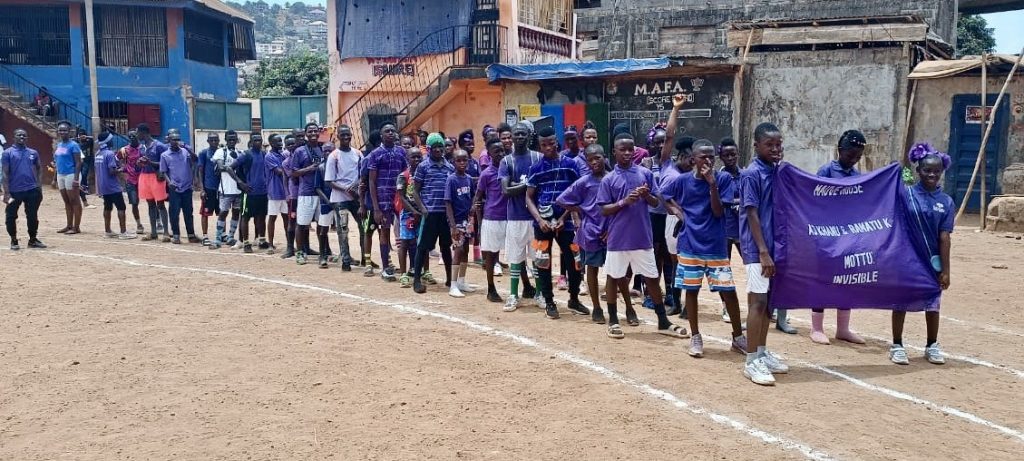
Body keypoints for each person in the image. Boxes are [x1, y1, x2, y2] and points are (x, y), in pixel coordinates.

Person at [662, 139, 747, 357]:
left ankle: (738, 337)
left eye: (711, 156)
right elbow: (663, 194)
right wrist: (678, 213)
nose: (708, 160)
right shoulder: (682, 181)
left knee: (728, 292)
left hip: (716, 245)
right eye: (703, 157)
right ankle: (695, 336)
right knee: (691, 291)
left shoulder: (724, 179)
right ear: (694, 159)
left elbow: (719, 212)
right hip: (690, 244)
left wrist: (712, 184)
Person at [597, 135, 686, 339]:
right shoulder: (609, 179)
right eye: (623, 149)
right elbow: (603, 210)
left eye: (630, 149)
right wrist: (624, 202)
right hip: (618, 239)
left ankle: (662, 320)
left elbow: (656, 203)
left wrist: (646, 196)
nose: (627, 153)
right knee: (614, 277)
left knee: (652, 279)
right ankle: (613, 320)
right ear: (614, 152)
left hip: (642, 237)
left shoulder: (645, 173)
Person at [891, 143, 953, 366]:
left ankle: (932, 345)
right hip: (906, 260)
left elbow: (944, 238)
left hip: (932, 262)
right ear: (918, 171)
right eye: (927, 170)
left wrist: (946, 270)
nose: (932, 175)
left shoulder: (946, 202)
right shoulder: (906, 195)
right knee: (901, 302)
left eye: (936, 171)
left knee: (933, 302)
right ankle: (897, 344)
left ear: (942, 172)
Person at [739, 122, 791, 386]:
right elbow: (751, 212)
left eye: (778, 144)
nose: (775, 149)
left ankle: (761, 351)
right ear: (757, 145)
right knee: (758, 302)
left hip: (776, 247)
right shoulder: (751, 174)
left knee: (770, 302)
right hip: (757, 249)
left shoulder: (778, 172)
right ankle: (751, 361)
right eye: (769, 145)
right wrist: (762, 251)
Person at [809, 130, 868, 345]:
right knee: (823, 280)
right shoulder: (826, 171)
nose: (853, 159)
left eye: (858, 157)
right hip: (826, 236)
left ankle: (843, 328)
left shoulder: (857, 177)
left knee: (847, 280)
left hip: (848, 237)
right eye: (850, 155)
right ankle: (816, 327)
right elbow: (816, 199)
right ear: (839, 150)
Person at [525, 126, 586, 319]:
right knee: (543, 263)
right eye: (544, 144)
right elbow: (528, 198)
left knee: (575, 261)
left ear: (556, 141)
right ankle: (549, 302)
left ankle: (574, 298)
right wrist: (539, 219)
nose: (548, 147)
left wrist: (563, 218)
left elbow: (577, 194)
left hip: (566, 222)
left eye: (551, 143)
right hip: (541, 225)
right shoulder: (535, 168)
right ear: (540, 146)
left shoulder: (571, 165)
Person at [556, 144, 611, 326]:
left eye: (598, 158)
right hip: (590, 232)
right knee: (592, 269)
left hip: (612, 232)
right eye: (590, 159)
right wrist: (581, 209)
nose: (595, 162)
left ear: (605, 157)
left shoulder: (612, 179)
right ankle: (596, 307)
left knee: (614, 272)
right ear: (586, 162)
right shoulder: (584, 182)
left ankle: (614, 306)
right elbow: (562, 200)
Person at [498, 122, 539, 311]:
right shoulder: (506, 161)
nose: (519, 137)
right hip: (515, 217)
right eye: (516, 134)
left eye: (523, 134)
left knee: (538, 258)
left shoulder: (537, 158)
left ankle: (540, 294)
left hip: (535, 217)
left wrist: (519, 185)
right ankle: (513, 295)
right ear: (511, 138)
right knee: (515, 258)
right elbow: (506, 190)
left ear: (529, 136)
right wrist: (529, 185)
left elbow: (542, 185)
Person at [411, 133, 454, 293]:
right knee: (422, 248)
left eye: (440, 147)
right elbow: (415, 191)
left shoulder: (449, 167)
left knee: (445, 247)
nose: (438, 150)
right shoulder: (423, 166)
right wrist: (423, 209)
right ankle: (416, 280)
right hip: (429, 214)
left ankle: (450, 279)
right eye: (434, 147)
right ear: (428, 149)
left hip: (444, 214)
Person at [367, 123, 407, 280]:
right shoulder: (375, 154)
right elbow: (371, 181)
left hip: (400, 199)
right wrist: (375, 208)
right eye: (387, 131)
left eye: (393, 131)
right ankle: (386, 268)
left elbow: (406, 175)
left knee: (405, 232)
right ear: (381, 135)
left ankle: (405, 268)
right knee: (384, 232)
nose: (391, 133)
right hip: (383, 200)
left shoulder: (402, 152)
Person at [324, 125, 364, 270]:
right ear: (338, 137)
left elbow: (363, 174)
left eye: (348, 134)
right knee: (343, 229)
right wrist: (346, 189)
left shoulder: (358, 154)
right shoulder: (333, 156)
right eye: (343, 135)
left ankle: (366, 258)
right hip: (340, 199)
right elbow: (329, 181)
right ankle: (346, 260)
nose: (346, 137)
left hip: (356, 197)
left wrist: (356, 186)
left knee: (363, 228)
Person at [474, 139, 509, 303]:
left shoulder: (509, 169)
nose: (501, 154)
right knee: (491, 254)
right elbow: (478, 198)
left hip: (510, 217)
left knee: (517, 252)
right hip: (492, 217)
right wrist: (480, 223)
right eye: (497, 151)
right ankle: (491, 288)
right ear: (489, 155)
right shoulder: (486, 174)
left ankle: (526, 285)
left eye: (502, 150)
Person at [2, 128, 47, 250]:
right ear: (14, 137)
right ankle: (14, 240)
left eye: (24, 135)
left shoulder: (33, 153)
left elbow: (39, 168)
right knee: (11, 216)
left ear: (27, 138)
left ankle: (33, 240)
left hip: (32, 190)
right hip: (14, 191)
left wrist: (38, 186)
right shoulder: (8, 153)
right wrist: (6, 192)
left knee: (32, 216)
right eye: (19, 135)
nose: (21, 137)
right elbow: (5, 173)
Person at [290, 123, 326, 265]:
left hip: (321, 192)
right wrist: (310, 168)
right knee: (301, 224)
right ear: (305, 133)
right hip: (306, 193)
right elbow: (293, 173)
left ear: (318, 133)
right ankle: (300, 253)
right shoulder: (300, 151)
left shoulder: (323, 148)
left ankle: (323, 253)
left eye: (315, 131)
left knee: (322, 224)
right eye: (310, 131)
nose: (312, 133)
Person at [445, 150, 478, 297]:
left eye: (465, 160)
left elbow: (473, 197)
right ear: (454, 162)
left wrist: (473, 206)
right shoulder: (451, 180)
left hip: (467, 221)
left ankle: (462, 281)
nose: (462, 163)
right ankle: (453, 285)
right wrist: (452, 226)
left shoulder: (469, 179)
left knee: (465, 250)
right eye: (459, 160)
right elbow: (448, 203)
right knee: (458, 251)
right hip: (457, 222)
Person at [229, 133, 269, 253]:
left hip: (262, 192)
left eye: (259, 140)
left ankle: (261, 240)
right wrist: (240, 182)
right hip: (249, 192)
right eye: (255, 140)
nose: (258, 142)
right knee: (245, 217)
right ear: (251, 142)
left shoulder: (264, 154)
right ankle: (246, 243)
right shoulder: (246, 155)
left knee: (261, 217)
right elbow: (230, 168)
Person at [159, 131, 199, 244]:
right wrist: (169, 182)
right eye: (173, 140)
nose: (176, 142)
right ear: (169, 141)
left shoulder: (185, 151)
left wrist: (189, 149)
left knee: (188, 212)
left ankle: (191, 235)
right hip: (175, 188)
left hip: (187, 187)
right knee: (174, 212)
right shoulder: (165, 155)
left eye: (177, 139)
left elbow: (195, 160)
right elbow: (163, 172)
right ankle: (176, 235)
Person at [718, 137, 741, 323]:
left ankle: (767, 304)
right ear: (721, 157)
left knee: (754, 265)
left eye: (733, 154)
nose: (730, 158)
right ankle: (726, 305)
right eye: (726, 155)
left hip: (743, 229)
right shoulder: (718, 178)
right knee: (723, 269)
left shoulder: (746, 175)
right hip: (724, 229)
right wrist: (735, 203)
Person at [396, 147, 426, 287]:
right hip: (408, 213)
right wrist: (414, 211)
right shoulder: (403, 176)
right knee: (405, 242)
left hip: (422, 213)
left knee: (423, 243)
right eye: (413, 157)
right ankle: (403, 274)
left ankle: (425, 271)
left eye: (419, 157)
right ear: (407, 159)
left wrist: (422, 211)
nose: (416, 160)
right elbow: (401, 197)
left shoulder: (424, 175)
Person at [94, 132, 133, 239]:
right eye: (110, 139)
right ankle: (123, 232)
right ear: (107, 141)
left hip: (103, 185)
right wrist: (122, 169)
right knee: (121, 207)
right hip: (112, 186)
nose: (112, 140)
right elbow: (112, 171)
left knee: (107, 206)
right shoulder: (110, 154)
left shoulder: (98, 154)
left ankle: (107, 231)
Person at [135, 123, 170, 242]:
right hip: (144, 176)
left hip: (156, 177)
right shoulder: (141, 147)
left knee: (160, 204)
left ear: (143, 132)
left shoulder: (159, 146)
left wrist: (150, 163)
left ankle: (165, 232)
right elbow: (139, 164)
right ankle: (153, 232)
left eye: (137, 132)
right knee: (150, 204)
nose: (136, 135)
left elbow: (166, 163)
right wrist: (140, 163)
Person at [211, 130, 243, 248]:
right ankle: (218, 238)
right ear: (225, 140)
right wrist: (232, 167)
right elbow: (220, 167)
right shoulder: (221, 152)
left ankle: (230, 236)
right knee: (223, 213)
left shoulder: (240, 153)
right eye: (229, 139)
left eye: (233, 139)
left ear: (236, 140)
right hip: (226, 189)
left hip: (238, 190)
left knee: (236, 213)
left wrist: (229, 167)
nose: (231, 141)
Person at [358, 129, 382, 272]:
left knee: (383, 231)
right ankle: (367, 262)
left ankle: (387, 260)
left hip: (384, 201)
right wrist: (362, 204)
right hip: (370, 203)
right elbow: (362, 184)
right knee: (369, 231)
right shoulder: (368, 159)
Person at [53, 121, 83, 234]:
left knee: (74, 200)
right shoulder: (59, 145)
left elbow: (78, 163)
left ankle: (76, 227)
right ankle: (69, 225)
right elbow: (57, 162)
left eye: (64, 130)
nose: (62, 132)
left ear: (69, 132)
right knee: (66, 201)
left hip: (71, 174)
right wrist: (55, 178)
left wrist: (76, 178)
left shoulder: (74, 145)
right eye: (60, 130)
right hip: (61, 174)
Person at [264, 134, 290, 254]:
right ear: (271, 143)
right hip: (274, 191)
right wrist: (292, 171)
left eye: (281, 141)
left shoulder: (283, 154)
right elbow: (279, 171)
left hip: (285, 192)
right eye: (277, 141)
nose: (280, 143)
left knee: (287, 218)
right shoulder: (269, 156)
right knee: (272, 218)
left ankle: (289, 244)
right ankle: (270, 244)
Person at [117, 130, 145, 234]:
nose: (132, 138)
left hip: (143, 178)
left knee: (152, 201)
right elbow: (116, 159)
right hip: (131, 180)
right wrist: (123, 169)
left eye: (134, 136)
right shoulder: (124, 150)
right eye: (130, 136)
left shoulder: (143, 148)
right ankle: (139, 224)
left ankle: (158, 221)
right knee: (134, 203)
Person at [197, 133, 221, 246]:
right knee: (205, 213)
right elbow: (200, 171)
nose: (214, 142)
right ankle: (205, 236)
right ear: (208, 141)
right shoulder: (203, 153)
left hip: (220, 188)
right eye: (212, 140)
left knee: (222, 212)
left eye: (216, 140)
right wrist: (202, 189)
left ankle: (222, 234)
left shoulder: (222, 152)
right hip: (209, 187)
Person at [77, 129, 95, 209]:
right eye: (80, 135)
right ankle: (82, 189)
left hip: (87, 161)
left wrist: (86, 137)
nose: (81, 136)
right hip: (79, 161)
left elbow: (94, 138)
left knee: (84, 174)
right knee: (80, 176)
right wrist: (78, 138)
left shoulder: (89, 142)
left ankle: (85, 188)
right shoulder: (77, 143)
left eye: (83, 135)